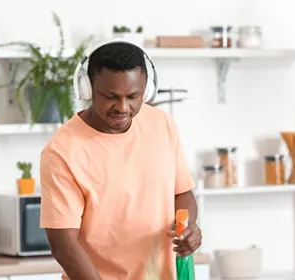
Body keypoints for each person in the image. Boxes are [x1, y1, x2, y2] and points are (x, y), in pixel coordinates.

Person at [39, 40, 202, 280]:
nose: (123, 107)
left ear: (146, 90)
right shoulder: (63, 151)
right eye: (111, 96)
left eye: (133, 96)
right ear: (87, 89)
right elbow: (63, 243)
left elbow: (182, 194)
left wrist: (187, 228)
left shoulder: (161, 124)